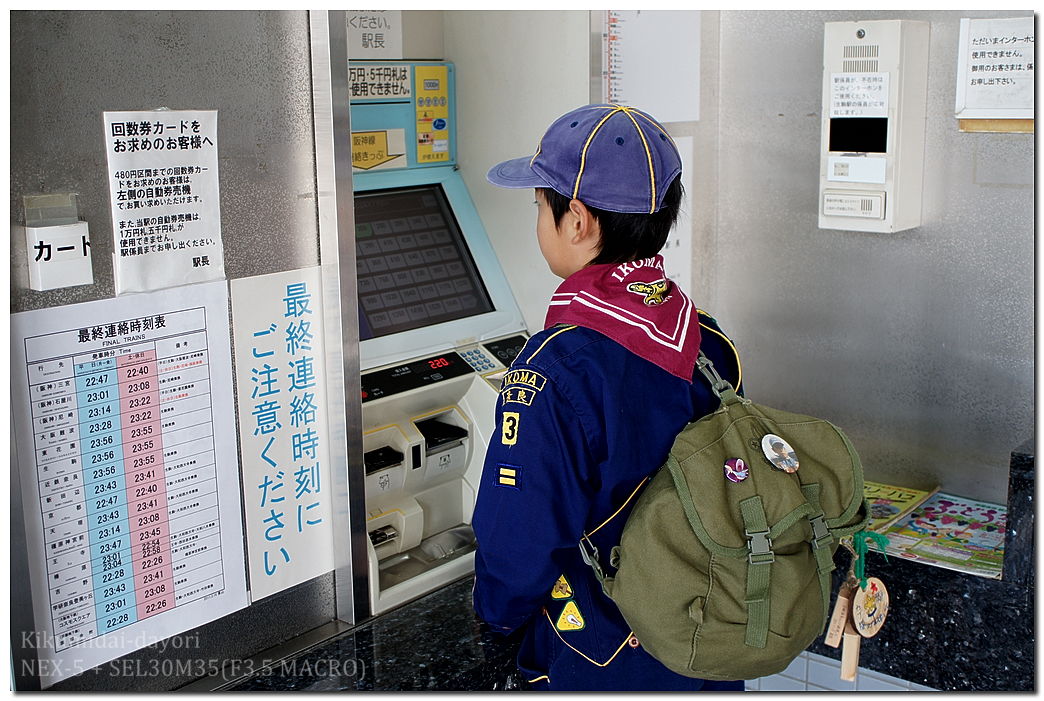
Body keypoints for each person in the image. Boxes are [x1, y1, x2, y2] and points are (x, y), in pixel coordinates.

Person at [471, 103, 744, 692]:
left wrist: (494, 623)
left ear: (577, 220)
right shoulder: (708, 341)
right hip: (707, 642)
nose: (538, 222)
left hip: (601, 656)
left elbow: (518, 542)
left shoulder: (555, 367)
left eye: (539, 205)